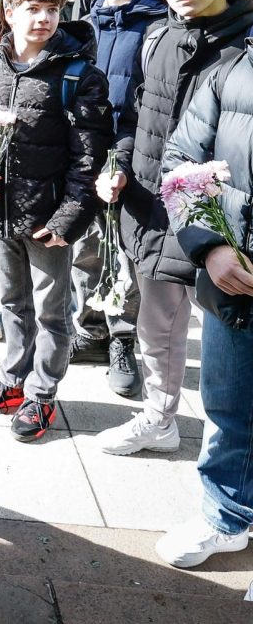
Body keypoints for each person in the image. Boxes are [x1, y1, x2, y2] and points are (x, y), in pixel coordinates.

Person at [95, 0, 253, 456]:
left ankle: (229, 449)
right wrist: (120, 165)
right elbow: (139, 115)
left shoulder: (245, 42)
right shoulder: (160, 36)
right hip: (153, 202)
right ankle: (159, 418)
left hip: (228, 216)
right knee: (156, 322)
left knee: (228, 338)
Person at [0, 0, 112, 443]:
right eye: (33, 8)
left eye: (53, 9)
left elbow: (89, 156)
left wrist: (68, 218)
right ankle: (14, 379)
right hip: (0, 212)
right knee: (11, 302)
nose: (44, 18)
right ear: (10, 12)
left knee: (52, 311)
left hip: (49, 217)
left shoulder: (78, 73)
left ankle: (42, 393)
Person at [156, 47, 253, 569]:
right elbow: (178, 165)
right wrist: (210, 246)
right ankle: (226, 515)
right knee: (228, 407)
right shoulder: (230, 73)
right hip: (234, 283)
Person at [73, 0, 166, 401]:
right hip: (85, 148)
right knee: (86, 245)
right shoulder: (86, 17)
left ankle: (123, 338)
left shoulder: (158, 20)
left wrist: (124, 159)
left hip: (132, 149)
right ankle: (90, 329)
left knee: (124, 250)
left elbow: (150, 99)